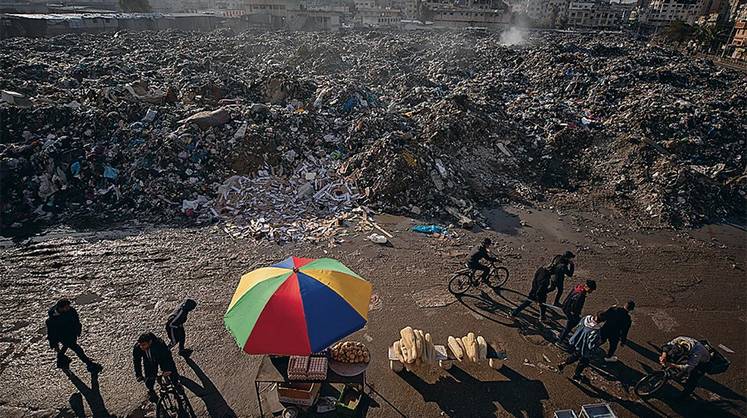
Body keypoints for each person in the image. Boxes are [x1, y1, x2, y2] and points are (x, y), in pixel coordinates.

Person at [46, 299, 103, 373]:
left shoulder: (71, 311)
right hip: (62, 336)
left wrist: (78, 330)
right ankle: (89, 364)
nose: (68, 308)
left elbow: (76, 321)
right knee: (78, 349)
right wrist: (52, 341)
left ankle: (60, 360)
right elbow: (51, 331)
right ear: (60, 308)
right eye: (66, 307)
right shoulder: (52, 319)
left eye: (68, 306)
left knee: (66, 346)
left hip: (71, 334)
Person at [557, 312, 606, 382]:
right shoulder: (595, 330)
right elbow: (591, 344)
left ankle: (564, 363)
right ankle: (576, 375)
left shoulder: (586, 319)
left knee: (575, 355)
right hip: (585, 348)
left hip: (578, 341)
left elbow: (578, 326)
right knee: (584, 362)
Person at [133, 333, 179, 402]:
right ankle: (151, 391)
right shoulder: (137, 348)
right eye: (140, 345)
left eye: (143, 345)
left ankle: (177, 386)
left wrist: (167, 369)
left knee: (172, 374)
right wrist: (139, 374)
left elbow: (167, 357)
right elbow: (136, 361)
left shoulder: (159, 344)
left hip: (162, 359)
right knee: (149, 378)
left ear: (150, 342)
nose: (141, 347)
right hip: (149, 362)